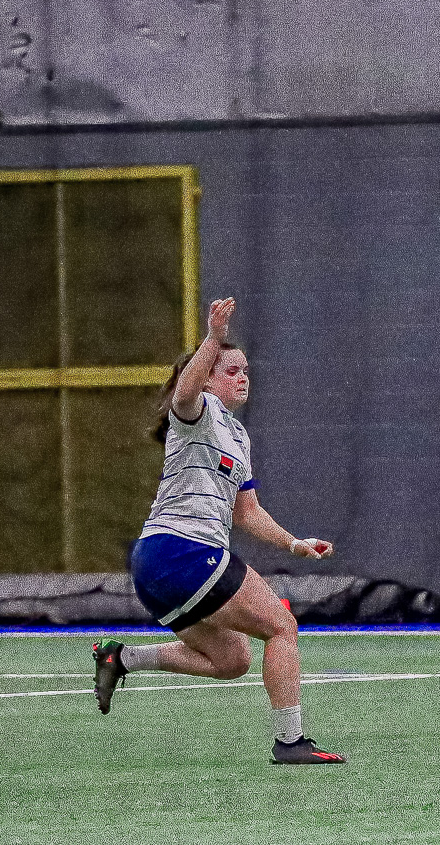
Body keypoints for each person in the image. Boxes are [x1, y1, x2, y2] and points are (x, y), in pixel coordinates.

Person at [91, 297, 346, 765]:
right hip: (180, 551)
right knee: (281, 625)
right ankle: (291, 742)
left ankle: (121, 657)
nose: (242, 377)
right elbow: (183, 396)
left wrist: (294, 543)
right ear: (207, 375)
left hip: (157, 566)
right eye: (230, 370)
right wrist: (211, 337)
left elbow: (246, 512)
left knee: (233, 661)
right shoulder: (198, 410)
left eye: (246, 370)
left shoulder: (238, 436)